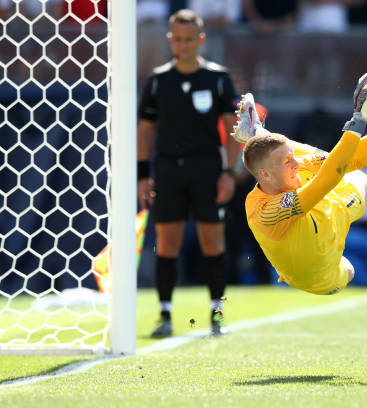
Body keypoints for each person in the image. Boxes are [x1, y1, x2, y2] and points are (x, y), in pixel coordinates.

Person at [231, 71, 367, 295]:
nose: (296, 163)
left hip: (331, 214)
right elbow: (329, 176)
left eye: (292, 157)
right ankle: (256, 134)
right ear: (265, 175)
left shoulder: (293, 167)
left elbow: (349, 160)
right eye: (288, 161)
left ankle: (257, 134)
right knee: (349, 269)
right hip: (315, 277)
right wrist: (358, 121)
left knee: (356, 175)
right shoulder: (266, 210)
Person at [137, 9, 240, 336]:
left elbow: (232, 127)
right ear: (170, 39)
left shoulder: (218, 78)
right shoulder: (157, 80)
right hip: (168, 168)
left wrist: (230, 172)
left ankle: (217, 314)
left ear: (200, 40)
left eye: (189, 39)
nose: (183, 45)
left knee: (213, 240)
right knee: (166, 243)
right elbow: (145, 130)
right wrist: (143, 174)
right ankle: (165, 315)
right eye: (177, 39)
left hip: (207, 167)